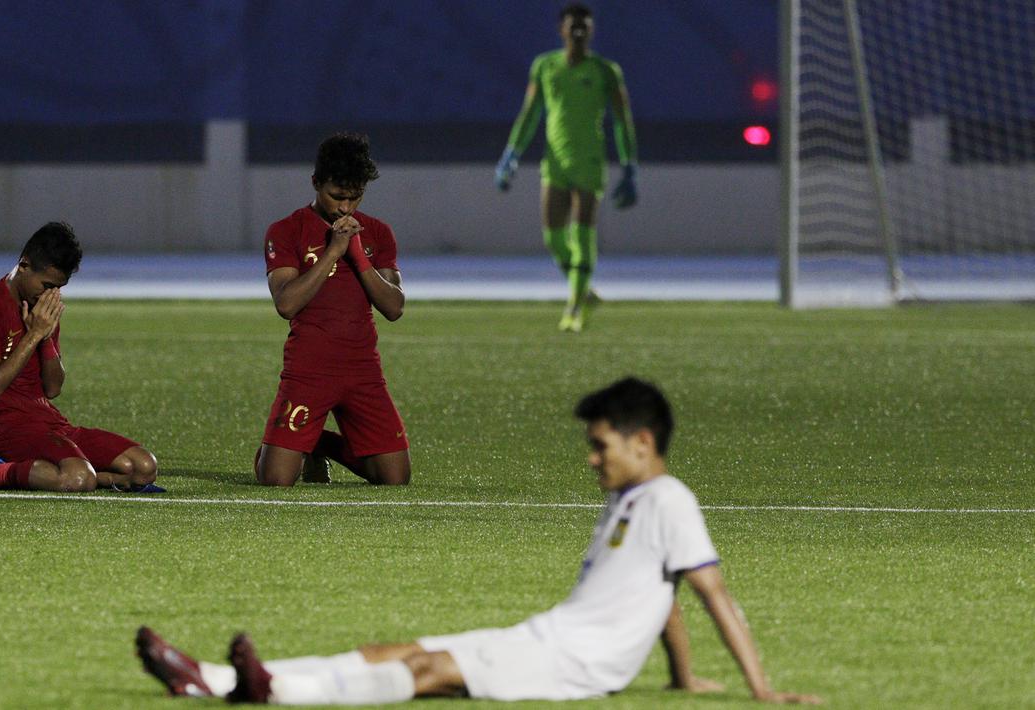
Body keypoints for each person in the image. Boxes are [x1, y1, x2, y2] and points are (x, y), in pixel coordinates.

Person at [134, 378, 822, 705]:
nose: (590, 458)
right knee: (398, 652)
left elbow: (712, 593)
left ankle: (268, 692)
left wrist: (763, 693)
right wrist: (678, 677)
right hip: (552, 638)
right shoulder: (631, 500)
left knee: (429, 672)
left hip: (571, 665)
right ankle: (218, 680)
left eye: (599, 445)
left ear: (642, 443)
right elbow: (662, 598)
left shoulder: (669, 499)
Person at [0, 222, 163, 493]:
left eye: (58, 288)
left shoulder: (41, 310)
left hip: (53, 424)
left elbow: (53, 389)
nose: (51, 295)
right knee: (78, 479)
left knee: (143, 468)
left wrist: (45, 338)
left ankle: (96, 478)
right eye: (47, 285)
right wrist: (34, 334)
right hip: (12, 429)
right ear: (24, 265)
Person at [253, 133, 410, 487]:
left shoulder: (377, 233)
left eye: (355, 198)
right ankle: (283, 449)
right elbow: (286, 303)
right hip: (309, 369)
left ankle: (316, 444)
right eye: (337, 196)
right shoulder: (286, 231)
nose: (345, 208)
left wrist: (356, 254)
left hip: (362, 370)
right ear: (315, 183)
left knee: (395, 479)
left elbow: (395, 307)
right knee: (276, 481)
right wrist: (333, 252)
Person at [495, 2, 639, 333]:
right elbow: (530, 113)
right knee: (553, 237)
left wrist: (630, 166)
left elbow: (622, 120)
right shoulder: (545, 66)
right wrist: (511, 154)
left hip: (589, 160)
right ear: (561, 30)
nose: (578, 31)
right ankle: (584, 291)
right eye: (573, 25)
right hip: (555, 161)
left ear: (592, 31)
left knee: (583, 229)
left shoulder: (605, 71)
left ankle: (574, 310)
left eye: (584, 26)